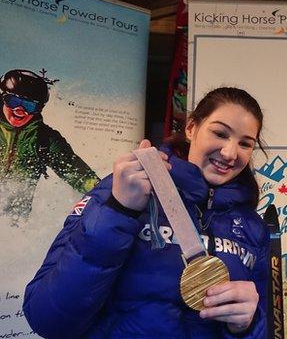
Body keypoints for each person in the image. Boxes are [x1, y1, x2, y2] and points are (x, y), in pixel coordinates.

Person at [23, 87, 270, 338]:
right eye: (219, 133)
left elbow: (262, 328)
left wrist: (245, 327)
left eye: (245, 144)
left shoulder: (253, 228)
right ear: (191, 128)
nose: (230, 153)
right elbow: (47, 319)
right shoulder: (124, 187)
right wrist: (119, 210)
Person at [0, 69, 99, 220]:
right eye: (13, 101)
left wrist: (109, 196)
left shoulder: (44, 140)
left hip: (12, 226)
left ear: (38, 109)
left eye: (29, 106)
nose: (19, 110)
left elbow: (80, 177)